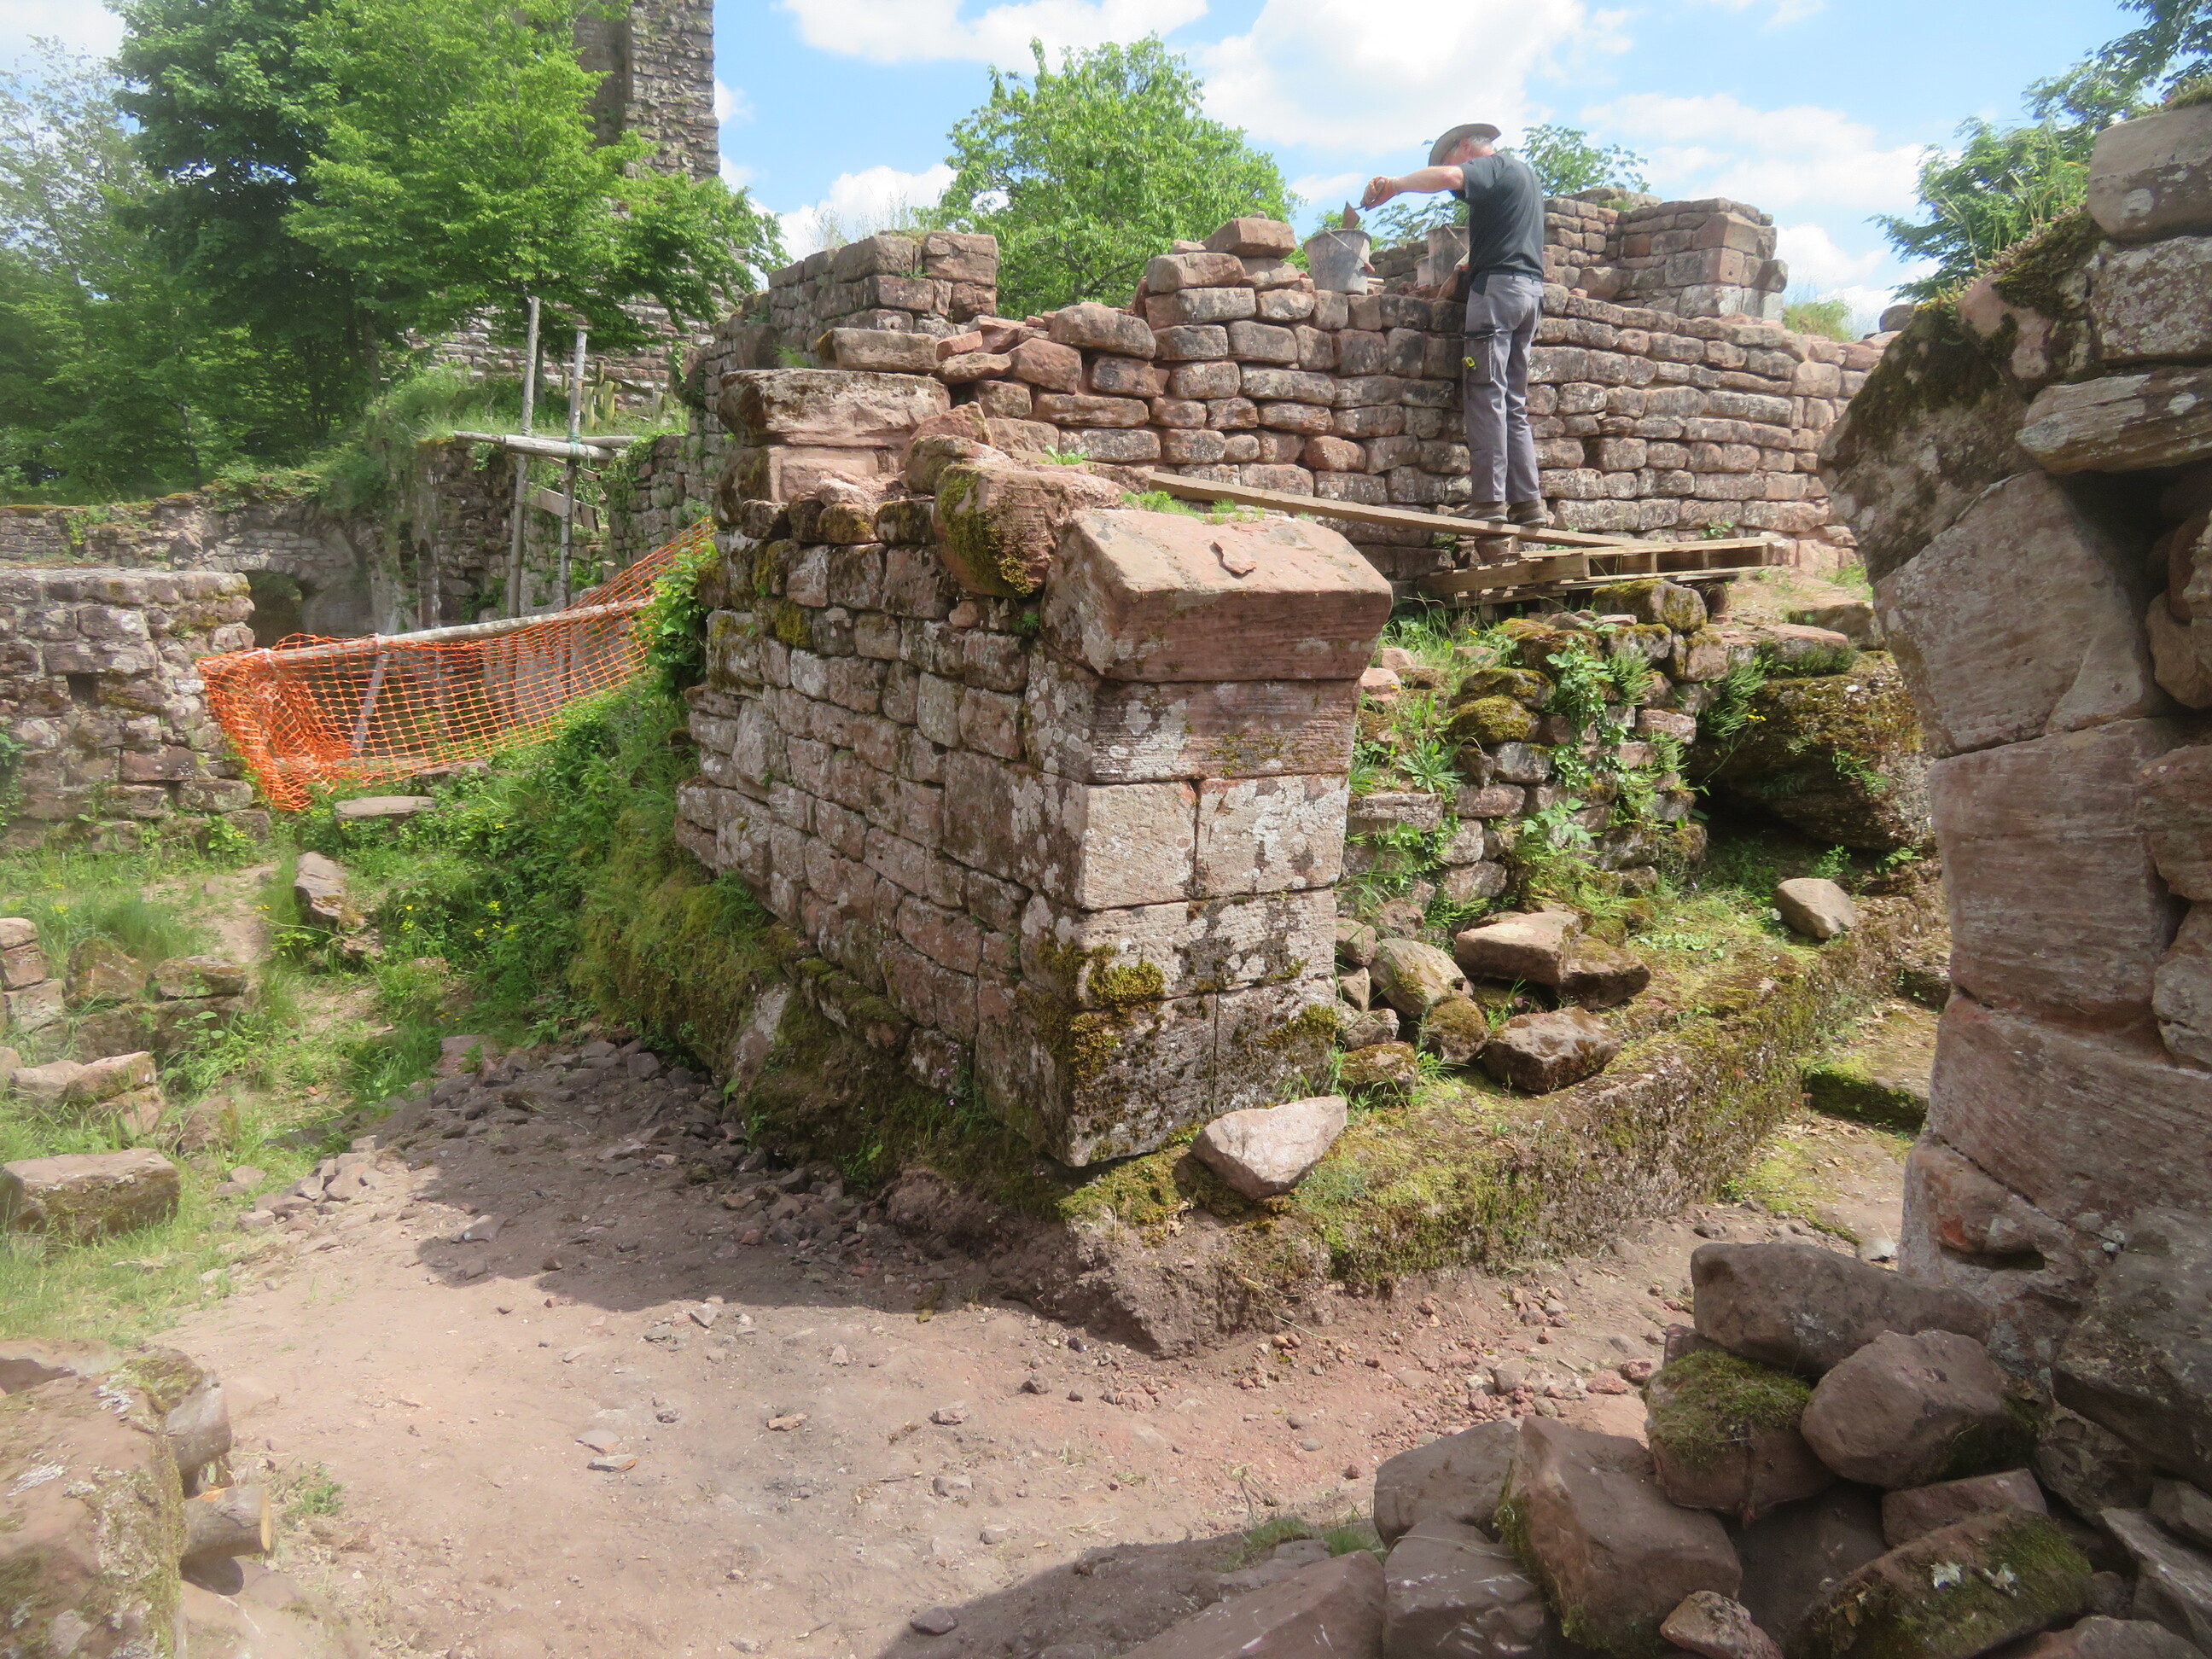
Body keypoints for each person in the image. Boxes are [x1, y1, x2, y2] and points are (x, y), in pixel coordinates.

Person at [1362, 124, 1551, 529]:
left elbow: (1450, 176)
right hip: (1530, 294)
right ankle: (1528, 503)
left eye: (1451, 160)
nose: (1456, 178)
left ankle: (1490, 500)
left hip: (1498, 294)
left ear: (1465, 147)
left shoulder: (1494, 166)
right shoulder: (1525, 177)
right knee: (1513, 400)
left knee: (1486, 392)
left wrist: (1395, 185)